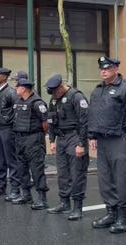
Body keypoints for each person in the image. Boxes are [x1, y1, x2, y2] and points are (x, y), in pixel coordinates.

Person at [88, 56, 126, 234]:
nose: (103, 71)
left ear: (116, 69)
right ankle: (111, 213)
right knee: (105, 180)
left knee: (122, 180)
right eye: (101, 68)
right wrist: (92, 136)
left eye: (107, 68)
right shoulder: (98, 90)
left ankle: (123, 218)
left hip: (121, 140)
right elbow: (93, 114)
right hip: (103, 141)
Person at [45, 74, 90, 220]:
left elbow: (85, 122)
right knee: (63, 173)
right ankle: (64, 203)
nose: (53, 95)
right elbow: (51, 120)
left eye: (55, 91)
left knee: (77, 173)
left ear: (61, 86)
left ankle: (77, 207)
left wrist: (82, 144)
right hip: (61, 139)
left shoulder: (76, 97)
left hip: (75, 137)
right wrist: (52, 140)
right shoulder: (54, 99)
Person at [12, 78, 49, 210]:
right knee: (22, 168)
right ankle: (26, 195)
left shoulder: (37, 103)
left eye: (18, 87)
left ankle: (42, 199)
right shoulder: (19, 101)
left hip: (33, 139)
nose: (16, 89)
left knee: (36, 169)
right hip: (20, 139)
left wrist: (39, 136)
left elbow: (45, 123)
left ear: (23, 89)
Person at [0, 67, 21, 200]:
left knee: (11, 160)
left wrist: (12, 127)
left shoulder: (11, 92)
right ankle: (0, 186)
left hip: (7, 129)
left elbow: (17, 112)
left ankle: (15, 189)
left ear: (5, 77)